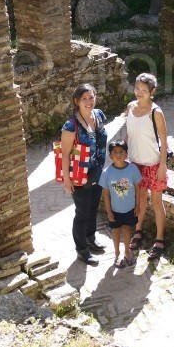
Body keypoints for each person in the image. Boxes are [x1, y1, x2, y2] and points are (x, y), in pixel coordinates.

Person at [60, 83, 108, 267]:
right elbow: (65, 154)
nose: (89, 102)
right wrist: (66, 179)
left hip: (97, 171)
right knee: (82, 213)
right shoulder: (71, 126)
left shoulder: (99, 115)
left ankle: (91, 238)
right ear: (76, 101)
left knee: (93, 207)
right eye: (84, 99)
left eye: (91, 97)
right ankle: (82, 250)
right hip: (79, 175)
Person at [123, 72, 169, 260]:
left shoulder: (155, 112)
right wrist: (123, 155)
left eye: (144, 90)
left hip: (153, 163)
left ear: (152, 92)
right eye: (137, 88)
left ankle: (159, 239)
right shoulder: (130, 107)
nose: (139, 93)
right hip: (135, 163)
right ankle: (138, 231)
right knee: (139, 201)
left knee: (157, 202)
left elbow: (165, 141)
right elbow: (128, 133)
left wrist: (162, 166)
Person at [99, 140, 142, 269]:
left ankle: (127, 251)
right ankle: (117, 253)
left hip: (129, 208)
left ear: (126, 154)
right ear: (110, 156)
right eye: (115, 152)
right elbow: (106, 194)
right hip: (115, 209)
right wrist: (109, 212)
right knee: (116, 230)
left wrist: (137, 205)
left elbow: (138, 188)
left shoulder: (133, 169)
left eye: (121, 152)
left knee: (127, 229)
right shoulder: (107, 173)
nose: (118, 155)